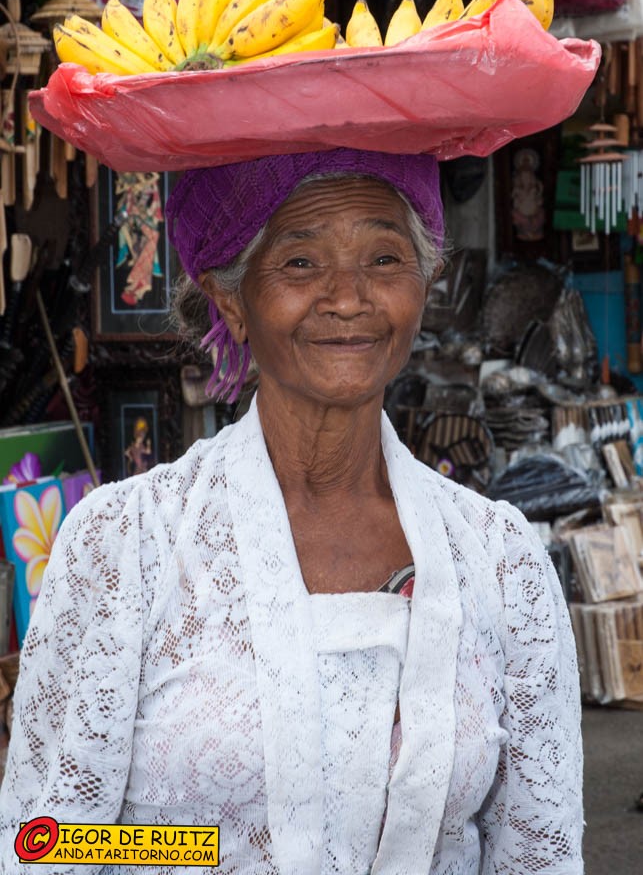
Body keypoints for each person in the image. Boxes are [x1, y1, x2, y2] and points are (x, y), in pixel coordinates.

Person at [0, 147, 583, 874]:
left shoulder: (498, 559)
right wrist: (209, 853)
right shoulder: (127, 543)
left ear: (423, 287)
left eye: (383, 259)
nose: (348, 298)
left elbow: (538, 853)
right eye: (301, 263)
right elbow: (44, 843)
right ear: (232, 301)